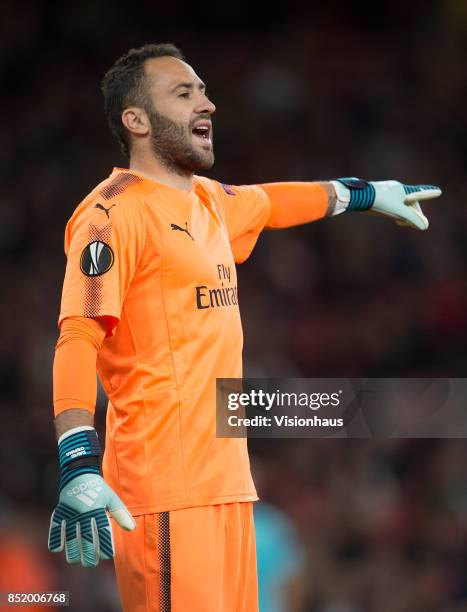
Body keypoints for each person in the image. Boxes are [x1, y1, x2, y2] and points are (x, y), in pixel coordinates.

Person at [48, 43, 441, 612]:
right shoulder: (110, 216)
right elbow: (78, 335)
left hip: (228, 488)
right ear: (136, 120)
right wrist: (77, 460)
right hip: (164, 493)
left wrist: (362, 195)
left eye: (204, 91)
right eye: (184, 93)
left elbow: (272, 202)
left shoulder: (208, 202)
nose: (206, 103)